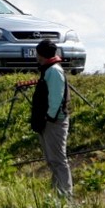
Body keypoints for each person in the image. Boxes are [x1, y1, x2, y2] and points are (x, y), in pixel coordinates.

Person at [29, 39, 71, 196]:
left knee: (59, 161)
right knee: (52, 160)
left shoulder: (53, 71)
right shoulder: (49, 69)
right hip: (47, 123)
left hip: (54, 123)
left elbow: (56, 98)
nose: (36, 57)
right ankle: (57, 194)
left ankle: (66, 196)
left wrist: (48, 118)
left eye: (37, 53)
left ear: (41, 54)